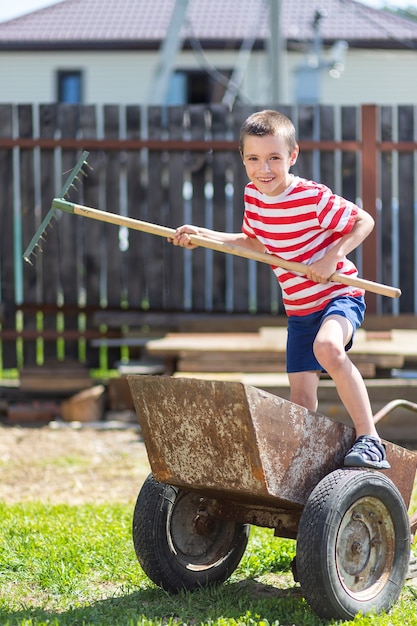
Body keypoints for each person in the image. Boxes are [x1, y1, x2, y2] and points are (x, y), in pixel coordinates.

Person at [170, 109, 389, 470]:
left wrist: (332, 257)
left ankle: (370, 439)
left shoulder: (311, 197)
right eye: (254, 159)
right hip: (299, 308)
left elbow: (363, 221)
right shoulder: (253, 198)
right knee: (301, 396)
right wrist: (203, 235)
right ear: (243, 160)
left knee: (328, 347)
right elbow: (254, 243)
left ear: (293, 156)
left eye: (274, 158)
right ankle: (306, 459)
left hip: (338, 295)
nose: (264, 169)